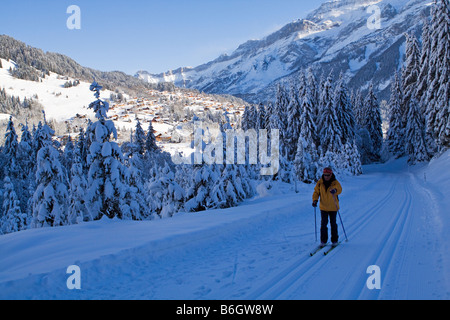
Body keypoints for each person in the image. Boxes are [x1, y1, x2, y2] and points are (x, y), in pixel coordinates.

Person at [312, 167, 342, 247]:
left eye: (328, 175)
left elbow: (339, 189)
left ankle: (334, 240)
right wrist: (315, 200)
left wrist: (335, 191)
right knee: (323, 224)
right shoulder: (320, 183)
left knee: (333, 224)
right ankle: (323, 241)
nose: (326, 176)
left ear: (331, 174)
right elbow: (316, 192)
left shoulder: (335, 182)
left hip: (333, 207)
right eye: (325, 175)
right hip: (323, 207)